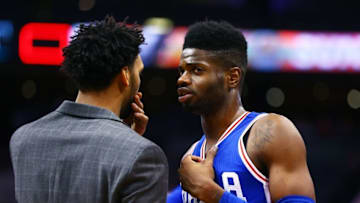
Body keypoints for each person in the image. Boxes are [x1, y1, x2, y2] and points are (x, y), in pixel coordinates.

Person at [10, 16, 168, 203]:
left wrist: (127, 138)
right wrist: (130, 143)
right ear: (125, 74)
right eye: (138, 72)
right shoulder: (144, 155)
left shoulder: (23, 138)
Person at [167, 21, 315, 203]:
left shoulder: (271, 132)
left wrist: (212, 194)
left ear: (232, 77)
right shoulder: (192, 155)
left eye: (197, 70)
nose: (182, 79)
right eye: (181, 71)